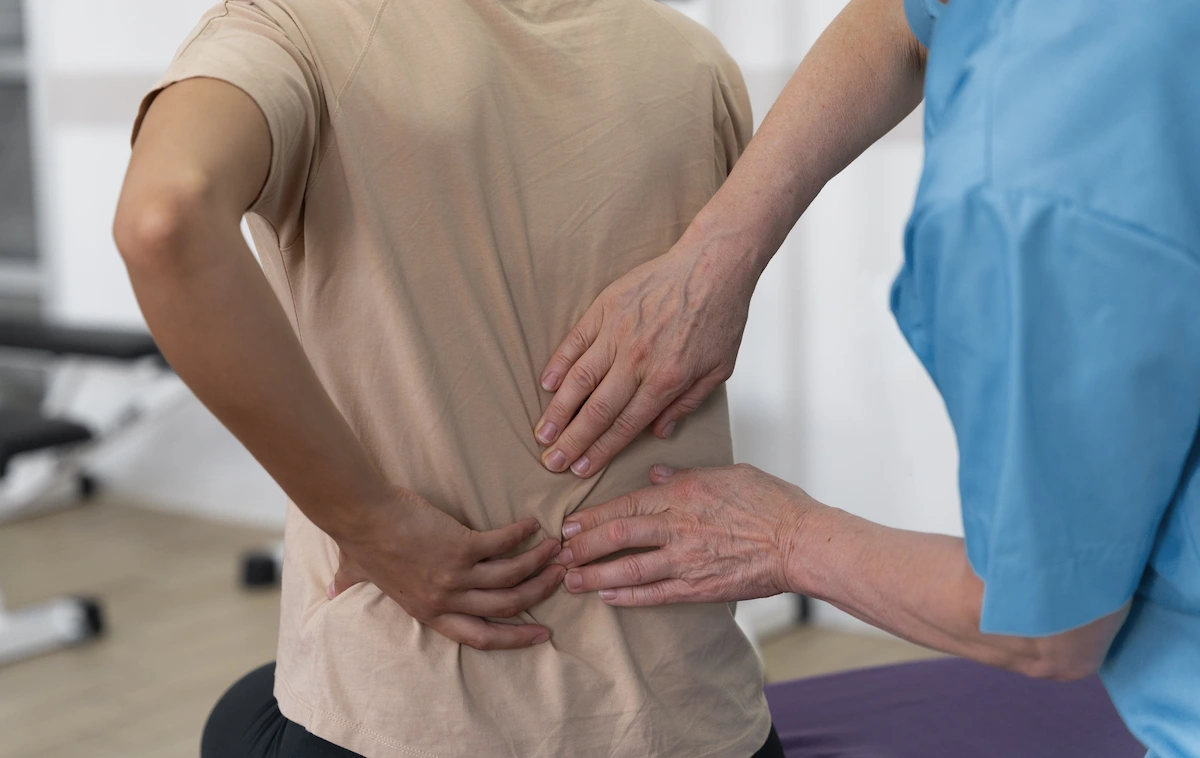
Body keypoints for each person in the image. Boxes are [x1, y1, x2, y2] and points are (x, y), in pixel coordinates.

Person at [113, 1, 785, 757]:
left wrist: (369, 522)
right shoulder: (696, 61)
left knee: (237, 724)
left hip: (415, 723)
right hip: (696, 722)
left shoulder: (294, 28)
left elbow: (162, 220)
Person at [544, 1, 1200, 757]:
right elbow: (905, 17)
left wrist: (784, 539)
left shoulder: (1030, 201)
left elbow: (1047, 628)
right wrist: (722, 247)